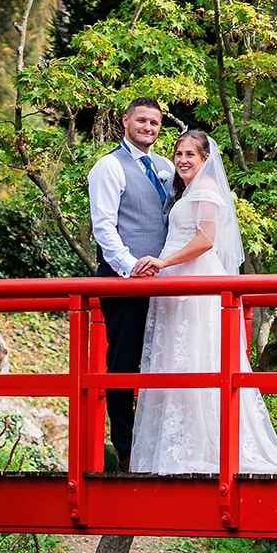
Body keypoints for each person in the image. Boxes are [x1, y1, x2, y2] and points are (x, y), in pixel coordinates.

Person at [128, 132, 277, 477]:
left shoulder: (208, 193)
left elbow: (206, 240)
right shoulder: (188, 192)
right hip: (177, 282)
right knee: (177, 358)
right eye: (178, 153)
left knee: (198, 357)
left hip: (194, 279)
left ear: (205, 159)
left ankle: (204, 447)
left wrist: (163, 264)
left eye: (190, 154)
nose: (182, 160)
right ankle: (176, 447)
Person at [87, 98, 174, 470]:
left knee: (165, 357)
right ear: (126, 121)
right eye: (142, 120)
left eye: (154, 123)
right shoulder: (108, 167)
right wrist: (129, 268)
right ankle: (125, 447)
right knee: (124, 360)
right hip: (125, 279)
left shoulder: (167, 167)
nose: (149, 128)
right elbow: (103, 225)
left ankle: (161, 443)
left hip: (167, 281)